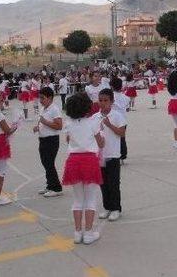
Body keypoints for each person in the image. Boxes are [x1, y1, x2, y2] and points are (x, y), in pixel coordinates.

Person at [61, 92, 104, 245]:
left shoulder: (68, 123)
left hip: (73, 160)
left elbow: (68, 140)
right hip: (89, 160)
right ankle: (89, 233)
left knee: (78, 199)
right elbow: (101, 144)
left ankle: (77, 232)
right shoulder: (93, 122)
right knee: (90, 198)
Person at [95, 88, 126, 222]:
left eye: (106, 100)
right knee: (103, 183)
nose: (102, 103)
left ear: (112, 101)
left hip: (113, 154)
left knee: (113, 183)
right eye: (100, 100)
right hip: (100, 155)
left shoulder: (117, 115)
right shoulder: (95, 117)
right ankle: (107, 207)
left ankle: (115, 208)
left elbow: (122, 133)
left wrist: (109, 124)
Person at [34, 87, 63, 197]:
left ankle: (56, 188)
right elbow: (43, 122)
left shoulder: (54, 109)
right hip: (43, 139)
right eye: (40, 98)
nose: (40, 100)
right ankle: (50, 185)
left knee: (49, 163)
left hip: (51, 140)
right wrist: (38, 127)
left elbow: (59, 126)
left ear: (50, 98)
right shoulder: (44, 108)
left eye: (43, 98)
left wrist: (45, 122)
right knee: (45, 163)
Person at [110, 77, 130, 163]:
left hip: (113, 120)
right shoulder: (126, 97)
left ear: (111, 86)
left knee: (113, 138)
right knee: (122, 138)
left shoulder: (110, 97)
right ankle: (122, 156)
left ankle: (114, 156)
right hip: (123, 120)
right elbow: (128, 109)